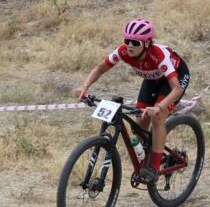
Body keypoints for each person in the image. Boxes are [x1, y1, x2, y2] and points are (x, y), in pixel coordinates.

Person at [76, 19, 190, 181]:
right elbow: (101, 68)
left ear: (147, 43)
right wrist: (85, 86)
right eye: (126, 40)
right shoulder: (123, 52)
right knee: (140, 123)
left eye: (135, 42)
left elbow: (177, 89)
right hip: (152, 79)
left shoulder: (157, 55)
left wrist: (159, 107)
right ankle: (146, 153)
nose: (129, 45)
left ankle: (155, 166)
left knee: (157, 117)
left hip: (174, 78)